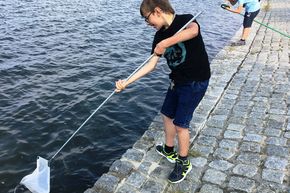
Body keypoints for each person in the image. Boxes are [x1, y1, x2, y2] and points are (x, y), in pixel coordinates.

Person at [115, 0, 210, 183]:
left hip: (195, 82)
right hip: (177, 81)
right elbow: (151, 65)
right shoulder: (158, 36)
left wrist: (167, 42)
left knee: (181, 124)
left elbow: (193, 31)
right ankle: (168, 149)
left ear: (157, 11)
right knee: (167, 114)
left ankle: (183, 163)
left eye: (147, 18)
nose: (147, 23)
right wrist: (127, 82)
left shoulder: (185, 20)